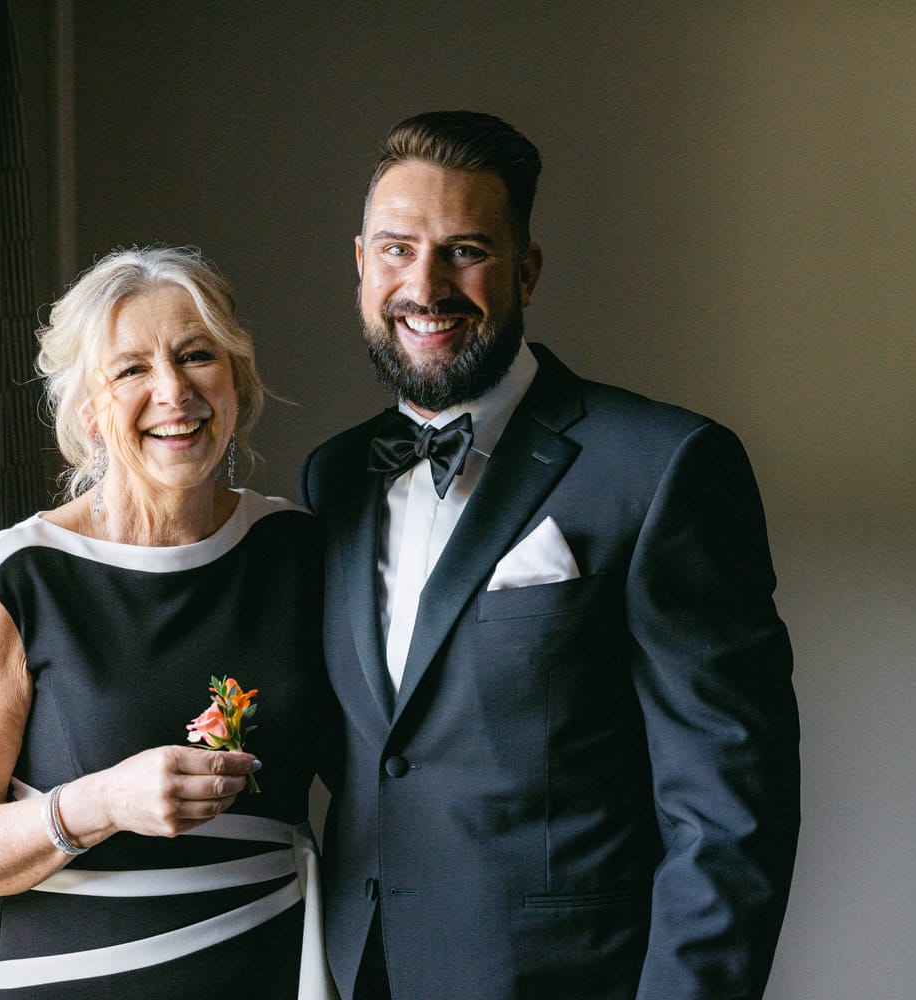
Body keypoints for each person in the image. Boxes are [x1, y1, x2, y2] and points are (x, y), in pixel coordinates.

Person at [299, 111, 801, 999]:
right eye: (396, 250)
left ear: (525, 268)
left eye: (465, 251)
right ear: (362, 264)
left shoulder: (665, 466)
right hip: (355, 973)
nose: (425, 284)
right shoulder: (333, 477)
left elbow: (730, 809)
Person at [0, 246, 338, 998]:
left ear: (235, 380)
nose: (174, 392)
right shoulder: (17, 579)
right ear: (88, 409)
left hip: (272, 967)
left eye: (196, 355)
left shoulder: (300, 553)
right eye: (132, 369)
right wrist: (101, 803)